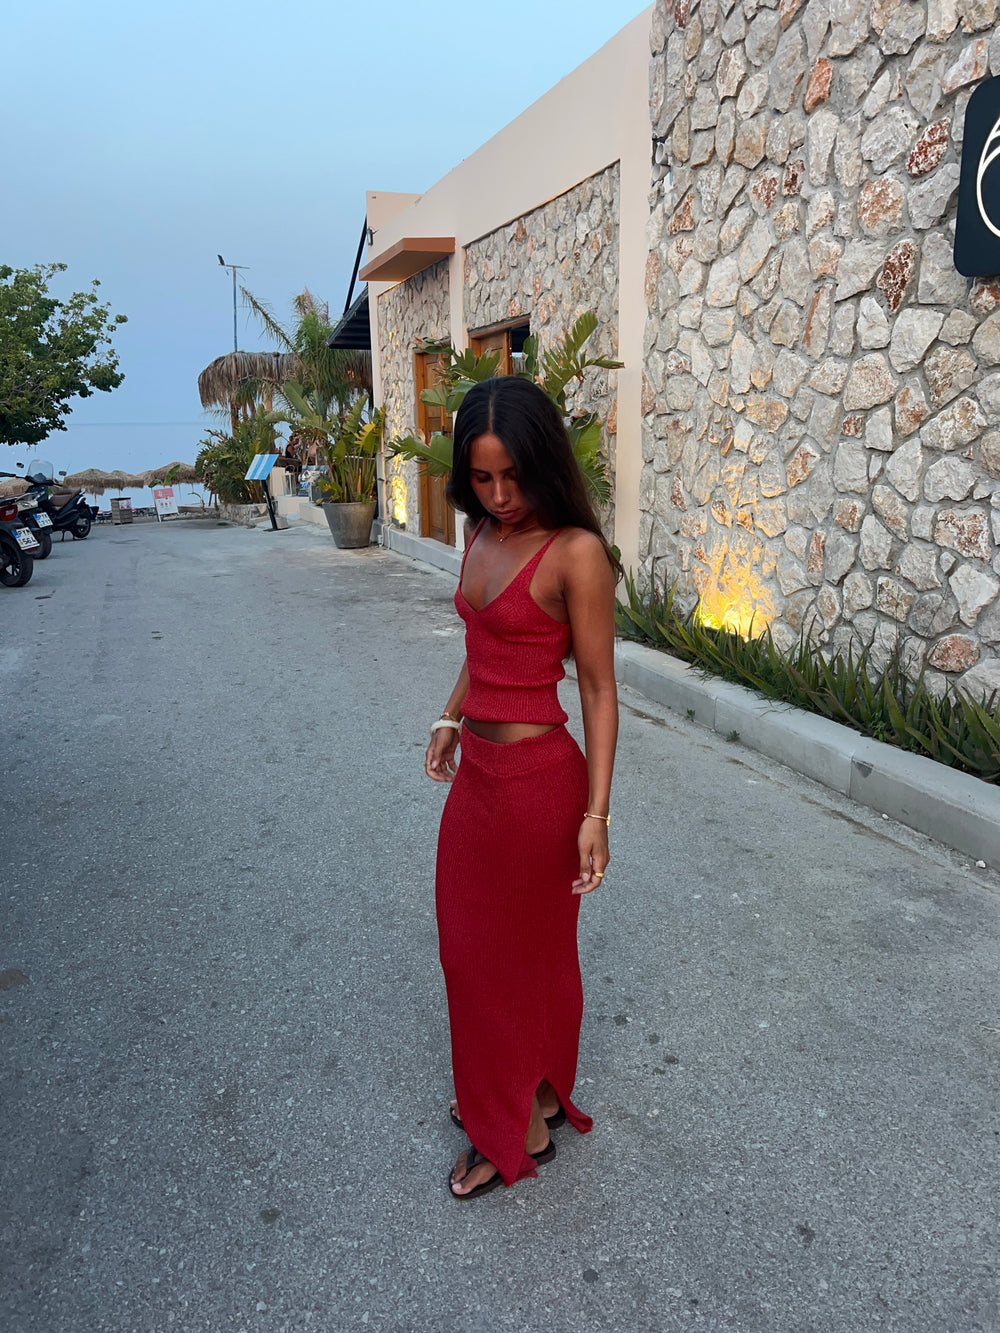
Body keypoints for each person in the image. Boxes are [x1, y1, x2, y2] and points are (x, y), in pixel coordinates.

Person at [425, 375, 619, 1200]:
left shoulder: (575, 553)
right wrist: (449, 714)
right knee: (473, 952)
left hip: (541, 786)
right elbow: (486, 646)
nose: (500, 495)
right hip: (477, 776)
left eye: (512, 475)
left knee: (521, 956)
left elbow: (599, 689)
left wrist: (597, 813)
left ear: (542, 462)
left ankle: (515, 1127)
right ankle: (521, 1087)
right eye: (482, 477)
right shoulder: (480, 532)